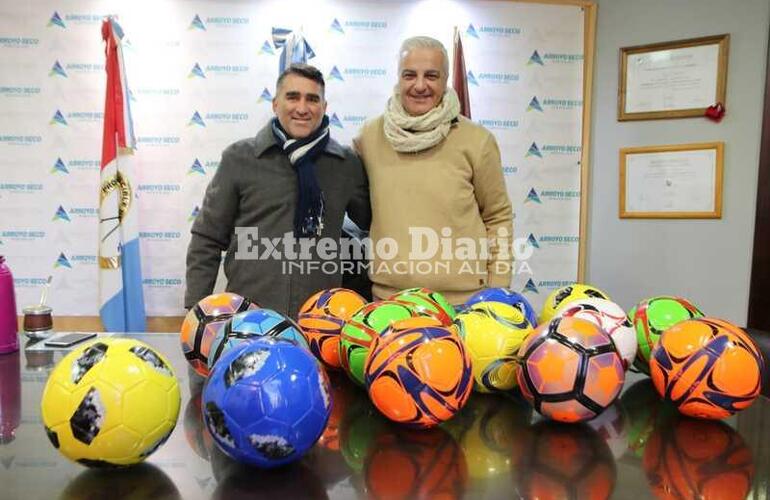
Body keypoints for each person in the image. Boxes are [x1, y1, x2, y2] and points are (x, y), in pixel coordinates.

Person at [185, 64, 370, 318]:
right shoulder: (240, 158)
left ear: (324, 108)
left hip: (319, 324)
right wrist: (198, 311)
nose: (302, 108)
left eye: (312, 99)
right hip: (249, 319)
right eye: (292, 97)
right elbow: (207, 238)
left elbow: (372, 220)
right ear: (275, 104)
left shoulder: (345, 164)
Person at [354, 36, 513, 305]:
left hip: (464, 305)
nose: (419, 85)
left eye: (431, 75)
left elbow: (498, 218)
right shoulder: (369, 138)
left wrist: (496, 293)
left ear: (445, 80)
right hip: (389, 304)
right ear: (398, 78)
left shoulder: (477, 140)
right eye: (409, 75)